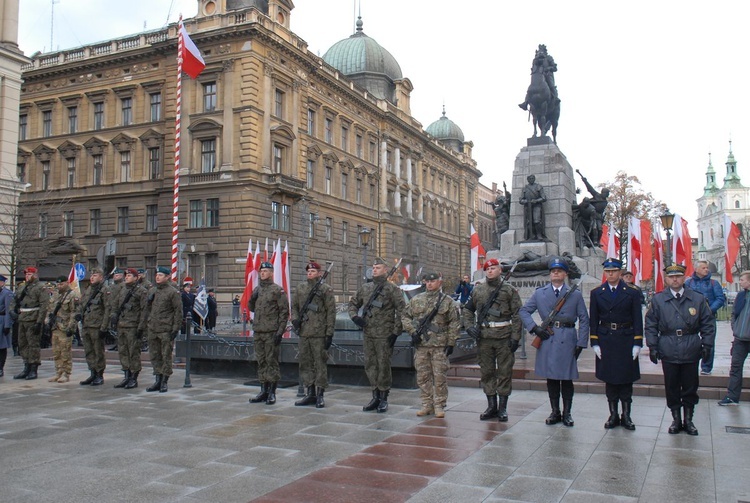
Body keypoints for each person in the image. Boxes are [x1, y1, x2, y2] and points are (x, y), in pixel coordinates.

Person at [645, 264, 715, 435]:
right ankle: (676, 419)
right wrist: (652, 346)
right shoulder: (658, 300)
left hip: (690, 346)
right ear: (667, 279)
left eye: (678, 276)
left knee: (690, 386)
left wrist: (707, 345)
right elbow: (651, 325)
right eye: (671, 277)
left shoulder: (697, 299)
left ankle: (689, 420)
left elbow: (708, 323)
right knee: (672, 386)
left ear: (684, 278)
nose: (675, 279)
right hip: (668, 347)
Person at [520, 258, 589, 426]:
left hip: (567, 338)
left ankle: (567, 413)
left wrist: (581, 342)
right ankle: (555, 411)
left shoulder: (575, 294)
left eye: (559, 271)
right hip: (547, 338)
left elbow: (584, 319)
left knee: (566, 379)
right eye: (553, 271)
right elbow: (524, 311)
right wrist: (535, 329)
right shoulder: (540, 293)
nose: (555, 273)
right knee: (551, 378)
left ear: (565, 274)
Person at [461, 258, 522, 422]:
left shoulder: (509, 290)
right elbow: (467, 310)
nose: (490, 271)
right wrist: (469, 326)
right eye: (487, 269)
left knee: (504, 372)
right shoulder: (478, 290)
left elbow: (517, 315)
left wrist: (516, 338)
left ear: (500, 270)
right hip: (485, 338)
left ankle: (502, 408)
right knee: (487, 372)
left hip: (504, 337)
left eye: (493, 268)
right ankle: (491, 406)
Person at [589, 258, 644, 430]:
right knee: (610, 380)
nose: (611, 274)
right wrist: (595, 342)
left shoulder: (632, 292)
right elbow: (594, 319)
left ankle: (626, 415)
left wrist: (637, 342)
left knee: (626, 380)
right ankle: (613, 414)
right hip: (606, 339)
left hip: (626, 338)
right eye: (608, 271)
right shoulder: (597, 292)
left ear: (620, 272)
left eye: (614, 271)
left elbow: (637, 319)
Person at [349, 257, 406, 413]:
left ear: (385, 270)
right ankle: (374, 396)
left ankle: (383, 397)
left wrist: (396, 332)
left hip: (384, 334)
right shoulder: (366, 288)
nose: (375, 270)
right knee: (370, 365)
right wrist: (355, 317)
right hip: (368, 333)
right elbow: (353, 303)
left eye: (378, 267)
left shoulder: (391, 289)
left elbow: (402, 310)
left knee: (383, 366)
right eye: (373, 267)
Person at [403, 271, 460, 418]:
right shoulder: (416, 299)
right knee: (423, 376)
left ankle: (439, 404)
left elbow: (454, 322)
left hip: (439, 345)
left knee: (439, 376)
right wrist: (413, 332)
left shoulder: (447, 301)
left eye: (432, 281)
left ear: (439, 282)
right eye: (427, 281)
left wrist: (451, 342)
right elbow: (405, 316)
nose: (429, 284)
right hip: (422, 344)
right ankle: (426, 404)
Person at [292, 261, 336, 408]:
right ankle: (310, 393)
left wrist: (329, 333)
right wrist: (295, 321)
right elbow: (295, 307)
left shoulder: (325, 289)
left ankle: (320, 394)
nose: (310, 273)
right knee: (305, 364)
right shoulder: (301, 288)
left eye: (313, 271)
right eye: (308, 271)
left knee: (320, 364)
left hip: (319, 333)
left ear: (319, 272)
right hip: (304, 332)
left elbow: (331, 312)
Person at [248, 262, 289, 405]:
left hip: (271, 332)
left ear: (271, 273)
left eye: (265, 271)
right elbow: (251, 307)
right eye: (261, 271)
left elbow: (284, 312)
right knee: (261, 361)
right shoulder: (257, 289)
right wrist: (252, 297)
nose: (262, 273)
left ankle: (272, 392)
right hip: (258, 331)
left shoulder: (277, 290)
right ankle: (263, 390)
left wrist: (280, 332)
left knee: (272, 362)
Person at [144, 266, 182, 393]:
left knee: (166, 356)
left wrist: (175, 328)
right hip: (153, 328)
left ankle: (164, 381)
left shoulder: (172, 292)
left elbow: (178, 311)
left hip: (166, 329)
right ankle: (157, 379)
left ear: (167, 277)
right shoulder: (152, 291)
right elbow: (147, 309)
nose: (157, 277)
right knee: (155, 355)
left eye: (160, 275)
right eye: (157, 275)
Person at [685, 259, 724, 375]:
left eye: (707, 268)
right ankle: (690, 364)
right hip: (691, 317)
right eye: (703, 268)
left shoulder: (714, 283)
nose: (706, 269)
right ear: (696, 269)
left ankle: (706, 368)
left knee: (709, 342)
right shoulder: (688, 283)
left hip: (708, 318)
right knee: (690, 341)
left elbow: (720, 299)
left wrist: (709, 310)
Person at [111, 268, 148, 389]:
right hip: (122, 325)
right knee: (123, 352)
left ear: (136, 278)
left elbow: (144, 310)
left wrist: (141, 327)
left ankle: (134, 378)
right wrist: (113, 318)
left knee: (133, 353)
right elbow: (116, 305)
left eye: (130, 275)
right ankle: (126, 376)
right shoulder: (122, 289)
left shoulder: (141, 291)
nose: (126, 277)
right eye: (126, 275)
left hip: (133, 326)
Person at [11, 267, 49, 380]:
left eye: (30, 274)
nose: (27, 276)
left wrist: (39, 322)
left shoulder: (40, 288)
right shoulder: (22, 287)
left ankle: (33, 369)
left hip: (33, 319)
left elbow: (44, 306)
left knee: (33, 345)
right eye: (26, 274)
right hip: (22, 318)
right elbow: (14, 300)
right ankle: (26, 366)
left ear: (35, 275)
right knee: (22, 344)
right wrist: (11, 311)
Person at [719, 270, 750, 406]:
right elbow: (734, 314)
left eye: (742, 279)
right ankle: (732, 397)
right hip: (739, 339)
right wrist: (735, 327)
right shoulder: (741, 295)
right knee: (735, 368)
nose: (741, 281)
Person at [76, 268, 110, 386]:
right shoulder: (88, 289)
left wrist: (104, 327)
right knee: (89, 351)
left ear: (101, 277)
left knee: (98, 351)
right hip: (86, 324)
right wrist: (78, 314)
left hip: (97, 325)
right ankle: (92, 372)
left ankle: (99, 374)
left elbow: (107, 310)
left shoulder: (104, 290)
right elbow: (82, 304)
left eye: (95, 275)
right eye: (91, 275)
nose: (92, 278)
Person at [45, 276, 79, 383]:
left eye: (62, 284)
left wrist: (71, 327)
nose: (59, 286)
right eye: (58, 284)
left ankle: (66, 373)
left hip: (65, 327)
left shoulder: (72, 295)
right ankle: (58, 372)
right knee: (56, 351)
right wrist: (47, 321)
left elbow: (74, 312)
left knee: (65, 351)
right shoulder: (55, 295)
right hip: (55, 326)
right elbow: (50, 309)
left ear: (67, 283)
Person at [519, 174, 547, 241]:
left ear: (534, 179)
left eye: (532, 178)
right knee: (529, 222)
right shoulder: (525, 188)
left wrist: (536, 200)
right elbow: (520, 200)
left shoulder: (538, 187)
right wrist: (526, 201)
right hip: (528, 207)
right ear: (528, 180)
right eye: (530, 178)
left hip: (536, 206)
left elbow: (544, 198)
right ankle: (532, 235)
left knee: (537, 221)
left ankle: (539, 235)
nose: (531, 180)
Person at [0, 274, 13, 377]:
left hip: (2, 321)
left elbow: (9, 310)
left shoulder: (7, 294)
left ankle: (0, 368)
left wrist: (7, 325)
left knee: (2, 347)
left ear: (3, 283)